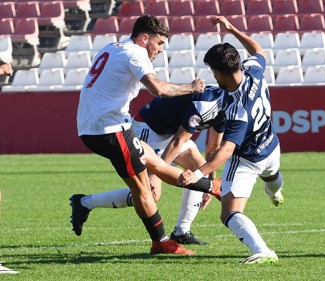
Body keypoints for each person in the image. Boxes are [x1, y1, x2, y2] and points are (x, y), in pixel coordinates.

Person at [76, 15, 217, 255]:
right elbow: (158, 89)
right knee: (145, 189)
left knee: (155, 162)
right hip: (109, 128)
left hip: (104, 124)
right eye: (160, 42)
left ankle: (214, 188)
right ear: (145, 38)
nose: (161, 49)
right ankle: (161, 242)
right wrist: (192, 88)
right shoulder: (136, 53)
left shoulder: (114, 46)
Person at [178, 16, 284, 264]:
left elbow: (226, 149)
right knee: (272, 179)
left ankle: (262, 251)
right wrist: (232, 29)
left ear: (218, 72)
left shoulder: (236, 106)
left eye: (213, 72)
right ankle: (275, 192)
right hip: (271, 146)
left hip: (246, 159)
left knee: (229, 213)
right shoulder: (253, 71)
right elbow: (258, 50)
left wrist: (199, 173)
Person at [72, 85, 225, 245]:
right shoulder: (208, 103)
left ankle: (182, 232)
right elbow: (179, 140)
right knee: (150, 193)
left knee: (200, 171)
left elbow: (213, 148)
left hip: (171, 132)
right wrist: (157, 175)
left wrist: (210, 180)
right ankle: (85, 202)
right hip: (149, 128)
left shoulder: (226, 108)